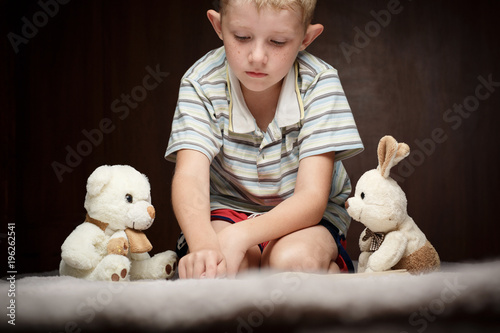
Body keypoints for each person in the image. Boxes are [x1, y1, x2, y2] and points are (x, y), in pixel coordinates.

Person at [165, 0, 363, 279]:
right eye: (242, 37)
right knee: (221, 268)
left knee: (291, 263)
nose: (257, 56)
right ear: (219, 26)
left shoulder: (320, 82)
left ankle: (323, 268)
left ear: (306, 38)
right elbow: (190, 177)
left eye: (278, 41)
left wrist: (241, 236)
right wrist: (204, 246)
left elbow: (312, 198)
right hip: (228, 207)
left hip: (303, 218)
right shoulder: (200, 82)